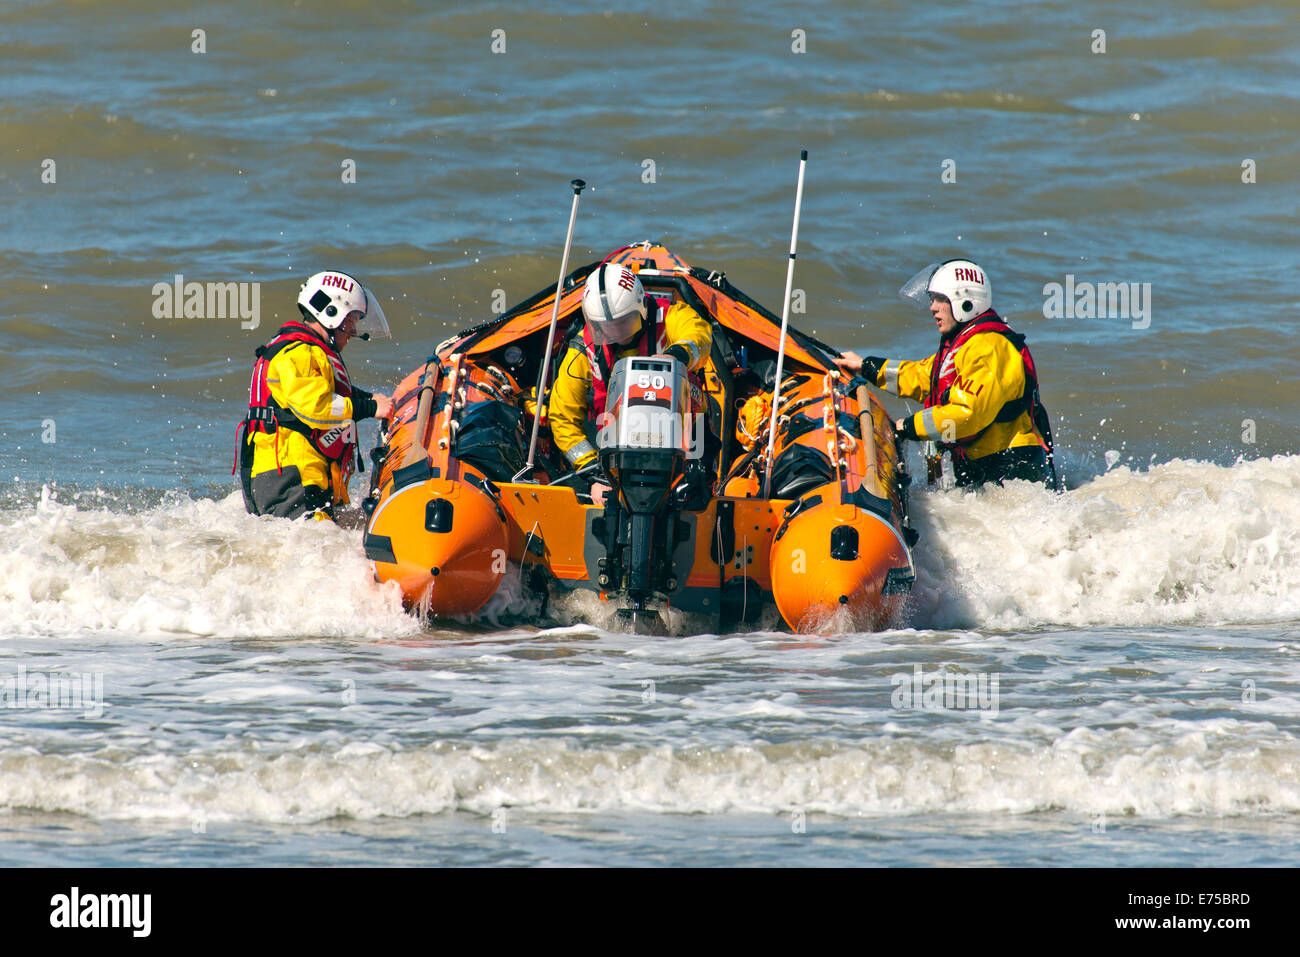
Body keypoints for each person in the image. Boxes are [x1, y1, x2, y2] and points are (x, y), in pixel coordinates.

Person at [836, 259, 1060, 490]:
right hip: (987, 466)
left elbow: (967, 413)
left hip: (1011, 467)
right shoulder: (965, 344)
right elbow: (925, 377)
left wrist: (909, 427)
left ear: (965, 302)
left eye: (940, 299)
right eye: (932, 299)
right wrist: (868, 367)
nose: (932, 307)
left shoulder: (988, 347)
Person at [237, 270, 395, 520]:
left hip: (301, 476)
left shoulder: (311, 353)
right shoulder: (298, 353)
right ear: (330, 314)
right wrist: (370, 409)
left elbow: (328, 391)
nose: (353, 331)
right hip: (291, 478)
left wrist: (371, 400)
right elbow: (316, 405)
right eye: (351, 321)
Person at [547, 262, 712, 501]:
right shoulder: (583, 350)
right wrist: (594, 473)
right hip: (611, 449)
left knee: (697, 494)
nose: (613, 332)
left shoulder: (672, 316)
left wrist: (676, 356)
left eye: (622, 322)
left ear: (642, 307)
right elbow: (562, 417)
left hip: (682, 437)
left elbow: (699, 336)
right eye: (604, 326)